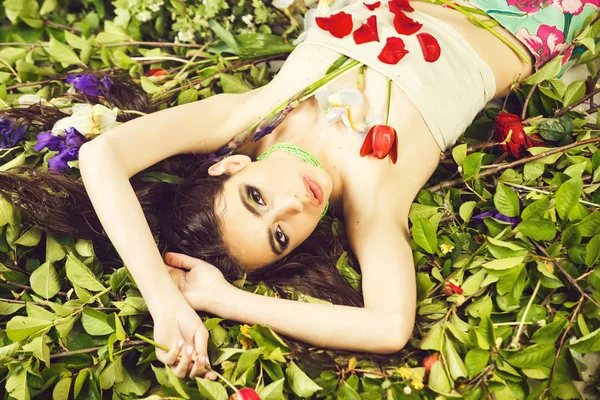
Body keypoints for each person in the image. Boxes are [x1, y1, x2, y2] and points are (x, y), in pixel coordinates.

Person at [3, 0, 597, 381]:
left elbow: (103, 154)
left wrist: (163, 298)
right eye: (281, 236)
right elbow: (389, 327)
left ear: (229, 168)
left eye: (256, 200)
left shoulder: (248, 117)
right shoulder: (373, 199)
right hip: (521, 14)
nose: (295, 205)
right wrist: (221, 301)